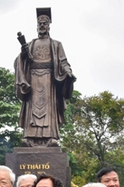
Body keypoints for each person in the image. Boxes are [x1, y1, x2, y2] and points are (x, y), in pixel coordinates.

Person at [14, 7, 75, 147]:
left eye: (45, 23)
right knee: (32, 109)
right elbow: (19, 61)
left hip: (49, 80)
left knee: (48, 111)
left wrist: (68, 72)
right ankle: (29, 138)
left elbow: (63, 62)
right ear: (37, 26)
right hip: (33, 79)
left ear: (49, 26)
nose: (42, 26)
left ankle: (50, 138)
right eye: (40, 24)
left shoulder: (56, 45)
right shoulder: (30, 44)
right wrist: (23, 54)